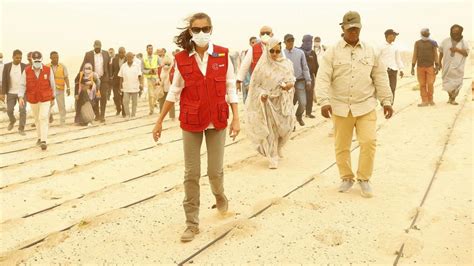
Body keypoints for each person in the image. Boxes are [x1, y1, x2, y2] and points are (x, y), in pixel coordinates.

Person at [152, 12, 240, 242]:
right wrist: (160, 120)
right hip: (191, 121)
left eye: (205, 28)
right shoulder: (181, 59)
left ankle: (220, 197)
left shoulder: (223, 54)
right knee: (191, 173)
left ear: (211, 29)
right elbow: (174, 91)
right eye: (196, 29)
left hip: (217, 120)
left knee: (214, 171)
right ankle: (192, 223)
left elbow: (231, 88)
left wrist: (237, 118)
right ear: (190, 32)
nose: (201, 33)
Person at [316, 11, 393, 198]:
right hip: (341, 107)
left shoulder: (370, 50)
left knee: (369, 141)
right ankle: (346, 177)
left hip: (365, 105)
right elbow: (323, 78)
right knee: (342, 145)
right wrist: (324, 101)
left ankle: (364, 179)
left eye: (357, 28)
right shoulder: (332, 52)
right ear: (343, 28)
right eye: (350, 29)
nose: (353, 32)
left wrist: (386, 100)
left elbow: (380, 77)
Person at [246, 37, 295, 169]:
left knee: (285, 127)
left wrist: (288, 86)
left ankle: (279, 147)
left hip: (282, 101)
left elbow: (291, 80)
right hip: (268, 102)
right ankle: (272, 157)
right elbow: (255, 85)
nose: (274, 54)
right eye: (271, 51)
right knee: (271, 131)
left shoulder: (286, 64)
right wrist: (262, 95)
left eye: (277, 51)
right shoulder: (262, 67)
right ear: (267, 50)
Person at [18, 51, 56, 150]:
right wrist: (21, 97)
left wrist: (53, 97)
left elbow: (52, 84)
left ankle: (44, 140)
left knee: (43, 117)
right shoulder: (26, 71)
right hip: (33, 99)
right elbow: (22, 85)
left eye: (39, 60)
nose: (37, 62)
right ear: (32, 60)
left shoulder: (48, 70)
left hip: (45, 98)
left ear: (41, 60)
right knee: (37, 119)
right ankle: (39, 138)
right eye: (35, 61)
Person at [283, 33, 312, 127]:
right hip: (287, 83)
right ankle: (292, 124)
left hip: (300, 81)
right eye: (288, 41)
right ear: (284, 42)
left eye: (292, 40)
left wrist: (308, 80)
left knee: (303, 103)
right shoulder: (281, 54)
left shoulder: (300, 53)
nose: (290, 42)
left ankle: (298, 116)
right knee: (289, 104)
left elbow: (305, 67)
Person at [236, 26, 275, 92]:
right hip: (258, 84)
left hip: (274, 83)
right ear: (259, 35)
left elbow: (284, 65)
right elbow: (245, 65)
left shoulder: (278, 47)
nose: (265, 35)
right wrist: (239, 80)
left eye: (267, 33)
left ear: (272, 34)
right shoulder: (253, 49)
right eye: (263, 33)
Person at [439, 24, 470, 105]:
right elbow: (441, 52)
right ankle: (450, 97)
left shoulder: (464, 42)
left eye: (457, 31)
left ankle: (453, 98)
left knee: (457, 83)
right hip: (447, 66)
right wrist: (439, 62)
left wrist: (456, 49)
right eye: (453, 31)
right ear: (451, 31)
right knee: (447, 82)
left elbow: (466, 53)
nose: (455, 32)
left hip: (458, 66)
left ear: (460, 32)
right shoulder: (445, 41)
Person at [80, 40, 110, 122]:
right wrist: (80, 78)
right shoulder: (88, 54)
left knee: (103, 97)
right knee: (94, 97)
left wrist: (109, 78)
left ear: (101, 46)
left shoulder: (106, 53)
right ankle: (97, 115)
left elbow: (108, 66)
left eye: (99, 48)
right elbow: (83, 66)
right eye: (96, 47)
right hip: (92, 79)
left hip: (103, 79)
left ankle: (102, 115)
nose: (97, 49)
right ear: (93, 46)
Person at [1, 50, 27, 135]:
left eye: (20, 58)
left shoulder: (24, 66)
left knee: (22, 111)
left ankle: (21, 128)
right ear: (13, 57)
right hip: (10, 92)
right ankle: (12, 120)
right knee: (9, 110)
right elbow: (4, 80)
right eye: (17, 58)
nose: (19, 59)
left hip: (21, 94)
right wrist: (2, 93)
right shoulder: (7, 66)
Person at [411, 28, 440, 107]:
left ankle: (431, 99)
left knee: (430, 83)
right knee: (422, 84)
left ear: (429, 33)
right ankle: (424, 101)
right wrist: (412, 66)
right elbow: (415, 55)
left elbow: (435, 55)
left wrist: (437, 65)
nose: (426, 33)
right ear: (421, 33)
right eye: (424, 32)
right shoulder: (417, 43)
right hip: (420, 67)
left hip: (430, 66)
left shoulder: (433, 43)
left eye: (427, 32)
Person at [380, 29, 404, 104]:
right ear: (389, 36)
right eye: (394, 36)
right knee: (384, 88)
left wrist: (401, 69)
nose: (395, 37)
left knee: (392, 88)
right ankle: (384, 102)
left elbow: (398, 59)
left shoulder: (395, 47)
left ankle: (390, 103)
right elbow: (377, 59)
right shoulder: (381, 47)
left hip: (393, 70)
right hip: (384, 71)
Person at [47, 51, 71, 126]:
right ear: (50, 58)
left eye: (57, 57)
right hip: (49, 90)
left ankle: (62, 121)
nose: (55, 59)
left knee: (61, 106)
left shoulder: (62, 66)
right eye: (54, 57)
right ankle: (48, 118)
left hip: (60, 89)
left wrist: (68, 88)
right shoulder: (46, 66)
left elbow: (66, 77)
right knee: (47, 106)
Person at [118, 52, 143, 118]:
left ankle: (133, 115)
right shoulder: (123, 66)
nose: (129, 58)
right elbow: (121, 77)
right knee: (125, 102)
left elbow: (140, 76)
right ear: (126, 57)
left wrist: (141, 84)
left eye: (130, 57)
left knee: (134, 102)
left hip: (135, 86)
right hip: (126, 87)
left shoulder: (137, 66)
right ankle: (127, 114)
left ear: (133, 57)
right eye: (128, 57)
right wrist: (120, 86)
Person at [300, 34, 319, 118]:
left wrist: (317, 75)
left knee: (310, 95)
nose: (309, 43)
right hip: (300, 78)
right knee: (299, 97)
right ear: (303, 42)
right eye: (307, 41)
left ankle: (308, 113)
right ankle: (298, 114)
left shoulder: (312, 53)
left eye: (310, 41)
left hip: (311, 77)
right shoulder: (299, 51)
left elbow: (316, 65)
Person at [156, 55, 176, 120]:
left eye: (168, 64)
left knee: (171, 103)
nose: (167, 66)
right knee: (161, 102)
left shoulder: (173, 69)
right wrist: (158, 81)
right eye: (165, 64)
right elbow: (157, 77)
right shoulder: (159, 69)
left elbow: (175, 79)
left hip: (170, 88)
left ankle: (172, 116)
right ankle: (161, 117)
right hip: (162, 88)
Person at [142, 44, 160, 115]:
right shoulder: (144, 58)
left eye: (151, 49)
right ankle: (151, 110)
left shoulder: (156, 57)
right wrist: (149, 71)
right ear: (146, 50)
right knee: (150, 95)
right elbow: (142, 69)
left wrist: (156, 69)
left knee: (157, 93)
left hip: (156, 78)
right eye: (149, 49)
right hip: (148, 78)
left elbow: (161, 65)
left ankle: (155, 103)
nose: (150, 50)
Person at [239, 36, 257, 103]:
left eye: (256, 42)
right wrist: (247, 83)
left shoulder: (260, 54)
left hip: (256, 82)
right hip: (247, 81)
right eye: (253, 42)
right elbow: (243, 69)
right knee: (247, 100)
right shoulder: (245, 53)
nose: (254, 44)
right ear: (250, 43)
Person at [111, 47, 127, 116]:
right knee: (116, 97)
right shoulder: (114, 59)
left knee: (124, 97)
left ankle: (124, 112)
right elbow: (112, 70)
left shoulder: (127, 60)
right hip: (116, 81)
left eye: (123, 52)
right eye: (120, 52)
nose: (122, 54)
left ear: (125, 52)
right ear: (118, 52)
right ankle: (118, 109)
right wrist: (111, 78)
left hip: (125, 81)